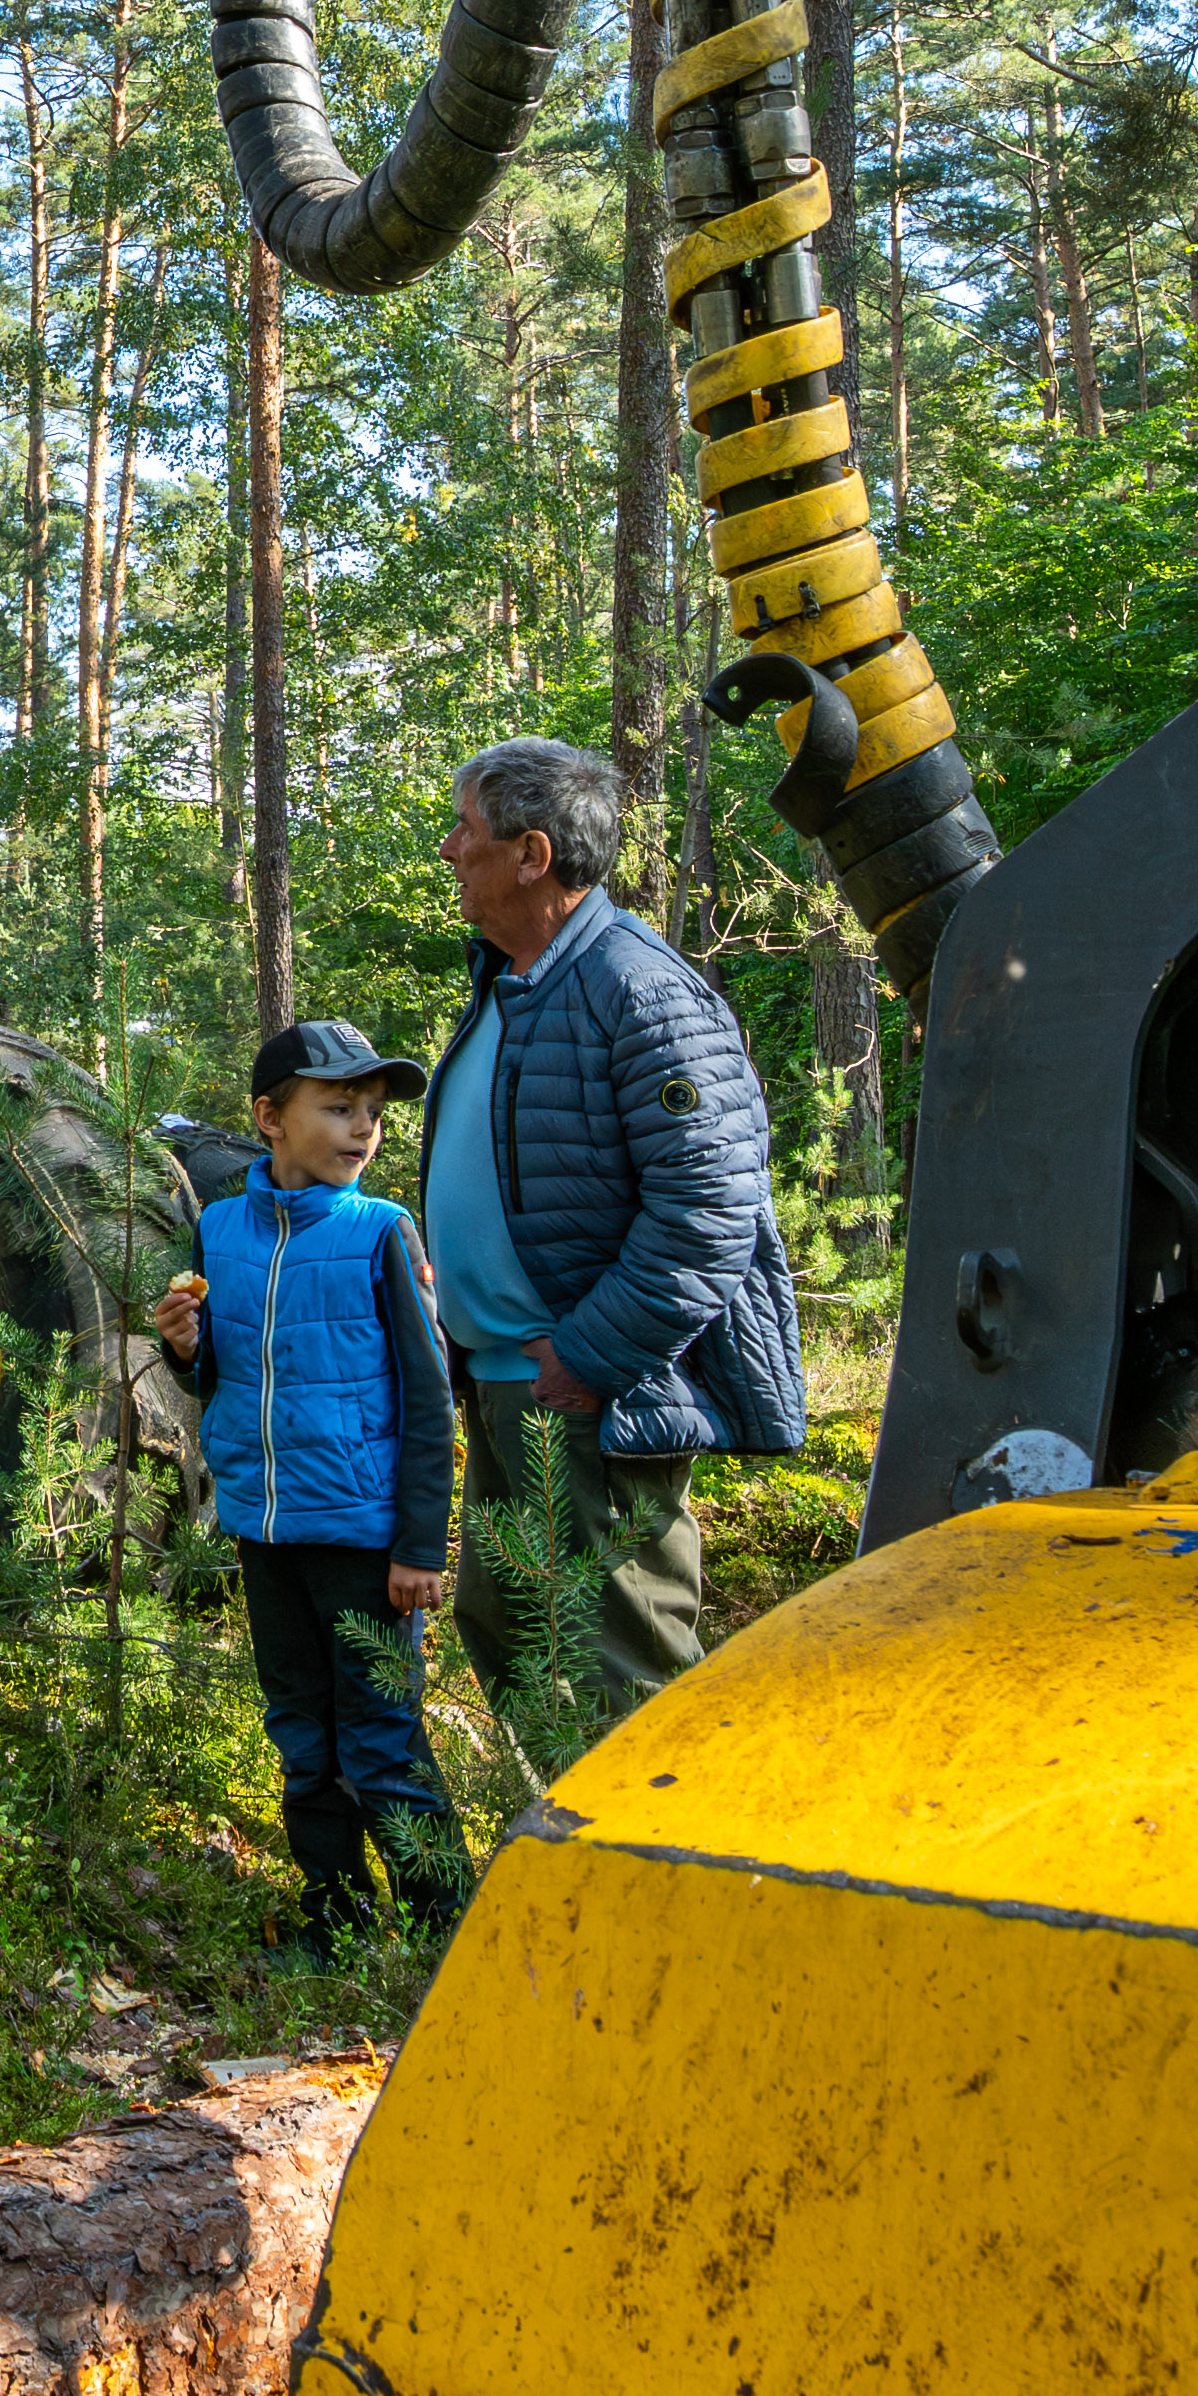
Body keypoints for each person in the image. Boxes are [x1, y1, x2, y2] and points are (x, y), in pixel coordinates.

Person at [422, 738, 806, 1744]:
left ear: (531, 853)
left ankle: (663, 1882)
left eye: (468, 825)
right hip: (507, 1381)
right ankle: (551, 1872)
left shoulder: (636, 986)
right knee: (506, 1633)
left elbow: (711, 1205)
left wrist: (593, 1354)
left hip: (592, 1388)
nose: (452, 845)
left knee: (623, 1666)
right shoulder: (511, 978)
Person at [148, 1018, 464, 1947]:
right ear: (269, 1118)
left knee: (381, 1741)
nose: (363, 1129)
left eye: (372, 1113)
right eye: (338, 1107)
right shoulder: (219, 1229)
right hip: (264, 1535)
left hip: (364, 1541)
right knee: (303, 1737)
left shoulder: (380, 1234)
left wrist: (417, 1548)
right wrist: (186, 1347)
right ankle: (337, 1923)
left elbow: (428, 1398)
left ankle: (446, 1929)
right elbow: (218, 1379)